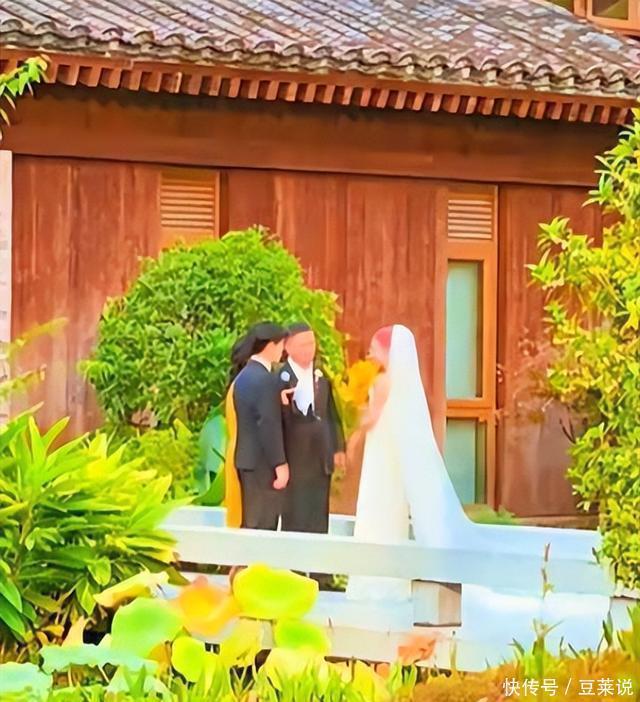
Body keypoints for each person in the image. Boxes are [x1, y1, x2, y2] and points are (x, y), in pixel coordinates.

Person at [346, 324, 596, 602]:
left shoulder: (383, 382)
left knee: (379, 508)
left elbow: (373, 419)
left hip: (382, 455)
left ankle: (375, 582)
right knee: (388, 510)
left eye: (376, 348)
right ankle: (388, 580)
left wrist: (354, 430)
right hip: (386, 452)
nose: (371, 354)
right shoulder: (401, 386)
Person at [278, 323, 345, 535]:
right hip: (295, 459)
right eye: (303, 344)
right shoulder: (280, 378)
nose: (309, 349)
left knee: (319, 517)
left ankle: (320, 556)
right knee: (296, 516)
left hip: (321, 458)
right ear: (287, 347)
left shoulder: (320, 376)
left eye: (312, 343)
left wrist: (338, 447)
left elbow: (332, 414)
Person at [224, 322, 289, 530]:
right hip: (261, 465)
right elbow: (268, 423)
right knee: (262, 527)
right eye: (281, 345)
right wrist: (280, 464)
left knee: (250, 523)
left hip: (245, 461)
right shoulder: (264, 379)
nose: (282, 351)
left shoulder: (244, 376)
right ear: (270, 345)